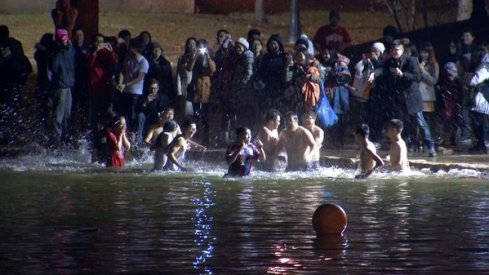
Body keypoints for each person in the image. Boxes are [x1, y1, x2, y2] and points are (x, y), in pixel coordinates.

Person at [370, 40, 437, 157]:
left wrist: (403, 74)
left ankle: (430, 147)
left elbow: (417, 77)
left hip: (412, 98)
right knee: (399, 124)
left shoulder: (411, 61)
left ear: (402, 50)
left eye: (397, 50)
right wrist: (373, 73)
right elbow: (381, 69)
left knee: (420, 123)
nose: (394, 52)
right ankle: (397, 148)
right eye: (392, 50)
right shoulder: (390, 62)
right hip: (399, 99)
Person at [116, 39, 149, 145]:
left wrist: (127, 84)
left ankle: (134, 140)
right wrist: (120, 83)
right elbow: (122, 71)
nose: (129, 49)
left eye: (131, 47)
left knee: (133, 117)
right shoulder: (128, 58)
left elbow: (139, 77)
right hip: (125, 92)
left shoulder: (143, 61)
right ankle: (124, 137)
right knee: (124, 116)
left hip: (136, 93)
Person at [49, 28, 76, 146]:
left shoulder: (70, 49)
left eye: (65, 36)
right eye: (62, 37)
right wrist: (58, 50)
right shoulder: (55, 52)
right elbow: (53, 68)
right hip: (60, 86)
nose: (64, 39)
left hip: (69, 85)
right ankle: (56, 141)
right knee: (58, 115)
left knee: (67, 114)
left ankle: (66, 139)